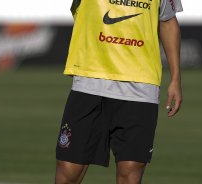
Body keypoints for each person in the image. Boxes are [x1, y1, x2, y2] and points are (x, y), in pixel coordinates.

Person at [55, 0, 183, 183]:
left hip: (140, 88)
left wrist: (176, 79)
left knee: (130, 176)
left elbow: (168, 22)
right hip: (89, 82)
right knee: (67, 174)